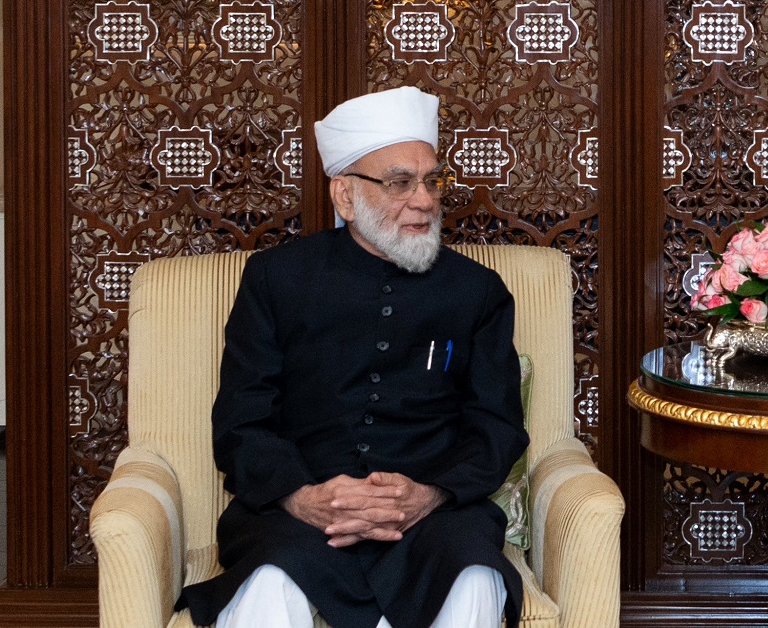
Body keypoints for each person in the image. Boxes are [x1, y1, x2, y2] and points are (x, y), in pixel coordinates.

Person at [177, 86, 528, 628]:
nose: (425, 201)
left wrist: (428, 495)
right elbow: (241, 421)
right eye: (399, 183)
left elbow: (496, 427)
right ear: (344, 195)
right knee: (269, 581)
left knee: (473, 577)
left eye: (432, 181)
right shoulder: (276, 279)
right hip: (297, 509)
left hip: (431, 517)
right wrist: (302, 497)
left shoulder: (477, 291)